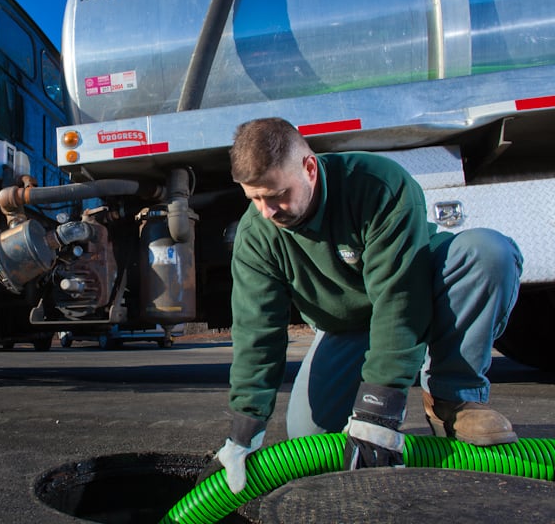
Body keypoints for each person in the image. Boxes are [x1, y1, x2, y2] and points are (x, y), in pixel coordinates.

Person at [215, 117, 523, 493]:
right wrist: (244, 431)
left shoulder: (377, 185)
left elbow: (400, 299)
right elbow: (256, 333)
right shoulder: (257, 235)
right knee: (311, 437)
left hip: (418, 288)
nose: (267, 211)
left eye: (276, 194)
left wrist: (379, 410)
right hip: (347, 327)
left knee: (487, 253)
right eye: (254, 198)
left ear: (309, 167)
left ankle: (452, 400)